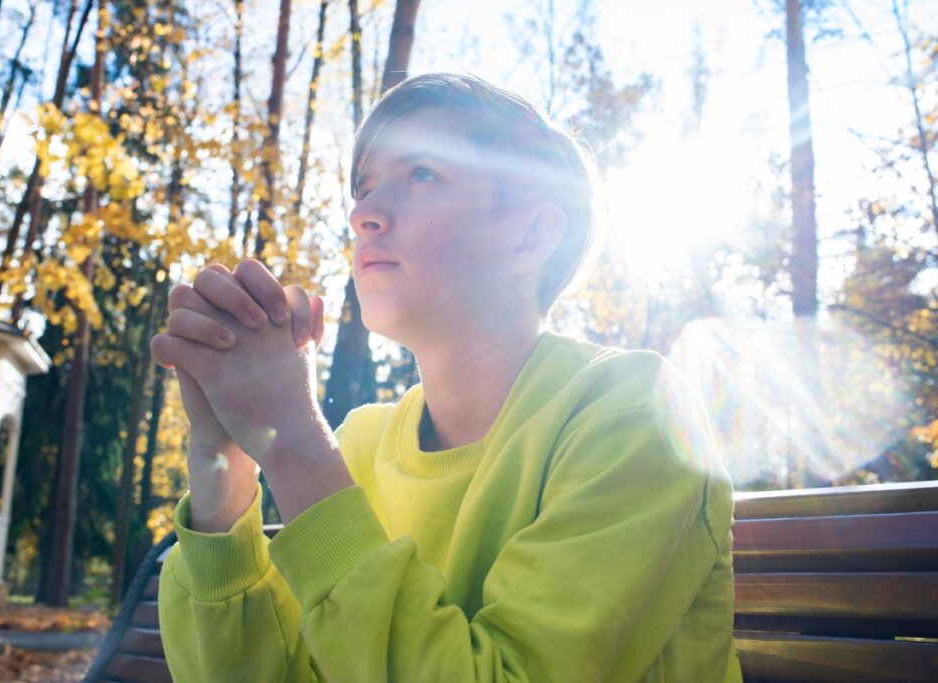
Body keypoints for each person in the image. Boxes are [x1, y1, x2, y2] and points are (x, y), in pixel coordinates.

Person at [149, 73, 743, 682]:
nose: (364, 215)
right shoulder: (360, 445)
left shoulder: (634, 414)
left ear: (531, 235)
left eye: (422, 174)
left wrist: (296, 442)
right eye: (364, 187)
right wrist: (223, 450)